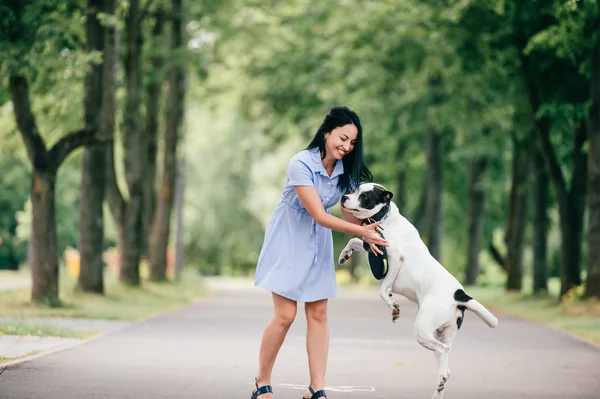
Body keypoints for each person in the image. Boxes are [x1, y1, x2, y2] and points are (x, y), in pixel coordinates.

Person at [251, 106, 389, 399]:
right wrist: (360, 231)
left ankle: (317, 389)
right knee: (286, 315)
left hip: (318, 243)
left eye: (352, 142)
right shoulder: (300, 163)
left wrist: (371, 231)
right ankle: (262, 383)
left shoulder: (346, 172)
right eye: (342, 138)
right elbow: (318, 214)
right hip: (289, 238)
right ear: (327, 132)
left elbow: (348, 215)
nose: (346, 146)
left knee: (319, 313)